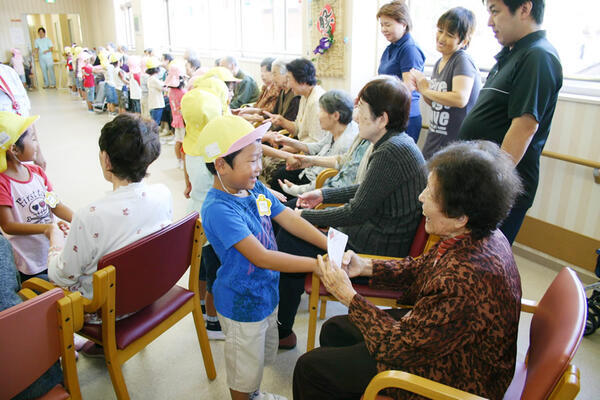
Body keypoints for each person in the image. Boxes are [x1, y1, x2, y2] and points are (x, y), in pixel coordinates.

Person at [293, 140, 524, 400]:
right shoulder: (479, 235)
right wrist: (366, 266)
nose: (421, 197)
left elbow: (399, 348)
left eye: (432, 194)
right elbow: (421, 267)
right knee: (334, 329)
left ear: (461, 217)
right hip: (440, 342)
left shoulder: (466, 278)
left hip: (455, 377)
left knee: (310, 369)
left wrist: (349, 296)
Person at [276, 76, 426, 349]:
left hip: (375, 248)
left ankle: (282, 330)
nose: (355, 116)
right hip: (371, 233)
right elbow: (366, 189)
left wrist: (303, 218)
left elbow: (357, 211)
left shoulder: (391, 151)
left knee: (291, 236)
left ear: (381, 118)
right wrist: (323, 194)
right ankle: (281, 314)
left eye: (361, 109)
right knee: (288, 220)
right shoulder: (394, 143)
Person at [198, 115, 327, 400]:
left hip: (265, 293)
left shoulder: (252, 187)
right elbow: (263, 258)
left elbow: (287, 218)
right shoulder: (219, 209)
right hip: (241, 304)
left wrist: (327, 244)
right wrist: (319, 266)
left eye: (260, 158)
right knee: (243, 370)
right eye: (252, 160)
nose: (259, 168)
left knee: (256, 361)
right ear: (221, 164)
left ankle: (255, 393)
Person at [458, 0, 562, 244]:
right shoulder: (514, 53)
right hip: (479, 182)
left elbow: (525, 127)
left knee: (481, 262)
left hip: (495, 189)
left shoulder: (538, 56)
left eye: (495, 11)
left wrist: (491, 188)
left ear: (524, 9)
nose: (489, 22)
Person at [46, 113, 171, 300]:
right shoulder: (163, 194)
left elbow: (64, 276)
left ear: (106, 159)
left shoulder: (89, 217)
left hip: (104, 309)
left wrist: (56, 243)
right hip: (149, 293)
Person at [0, 112, 73, 283]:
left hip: (51, 247)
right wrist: (46, 228)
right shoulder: (3, 183)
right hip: (28, 260)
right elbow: (8, 225)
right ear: (14, 149)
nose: (37, 144)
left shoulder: (37, 173)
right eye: (32, 139)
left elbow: (55, 205)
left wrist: (78, 219)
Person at [409, 7, 481, 159]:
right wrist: (422, 88)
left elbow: (460, 98)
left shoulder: (462, 60)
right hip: (434, 141)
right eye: (440, 30)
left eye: (449, 35)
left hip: (454, 146)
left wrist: (426, 90)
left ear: (464, 41)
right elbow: (435, 102)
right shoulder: (438, 62)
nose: (441, 38)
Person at [266, 90, 358, 197]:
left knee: (280, 187)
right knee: (279, 176)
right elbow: (318, 147)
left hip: (317, 185)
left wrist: (296, 189)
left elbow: (326, 180)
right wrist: (289, 141)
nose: (318, 115)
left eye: (321, 111)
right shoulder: (337, 128)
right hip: (311, 173)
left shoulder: (346, 142)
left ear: (336, 116)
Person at [377, 1, 425, 143]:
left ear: (403, 24)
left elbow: (408, 88)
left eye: (388, 24)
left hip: (405, 116)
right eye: (382, 25)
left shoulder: (409, 49)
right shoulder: (391, 47)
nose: (383, 29)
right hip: (390, 112)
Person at [265, 58, 326, 143]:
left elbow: (315, 141)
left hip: (310, 153)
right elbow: (297, 129)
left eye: (289, 79)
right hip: (302, 147)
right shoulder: (304, 96)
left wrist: (292, 147)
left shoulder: (316, 101)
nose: (288, 84)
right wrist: (282, 121)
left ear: (302, 81)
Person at [165, 64, 187, 169]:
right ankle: (183, 162)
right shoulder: (183, 92)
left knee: (177, 141)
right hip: (182, 120)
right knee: (184, 143)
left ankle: (179, 161)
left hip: (175, 119)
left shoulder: (171, 91)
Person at [146, 58, 166, 128]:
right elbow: (164, 88)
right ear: (156, 69)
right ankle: (153, 136)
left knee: (153, 122)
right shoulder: (154, 79)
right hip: (157, 104)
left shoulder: (150, 78)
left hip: (153, 104)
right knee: (155, 123)